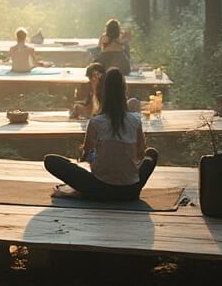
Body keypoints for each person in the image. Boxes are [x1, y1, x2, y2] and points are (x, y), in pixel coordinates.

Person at [44, 68, 159, 201]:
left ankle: (83, 192)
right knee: (151, 154)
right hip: (131, 191)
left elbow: (88, 155)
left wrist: (97, 159)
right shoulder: (135, 120)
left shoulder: (96, 122)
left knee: (50, 160)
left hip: (100, 188)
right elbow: (140, 155)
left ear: (103, 93)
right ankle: (89, 191)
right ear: (124, 92)